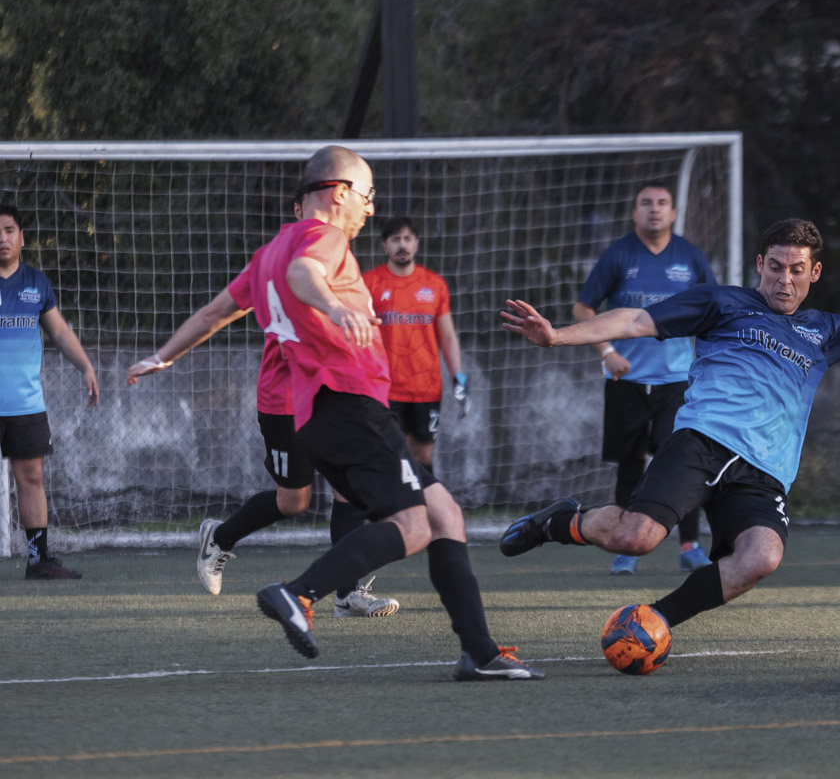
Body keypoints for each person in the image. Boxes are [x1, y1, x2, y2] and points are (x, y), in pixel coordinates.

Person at [499, 219, 840, 642]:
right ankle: (559, 522)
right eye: (776, 267)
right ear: (760, 264)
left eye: (797, 270)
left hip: (764, 473)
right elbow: (635, 320)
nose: (785, 279)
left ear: (814, 273)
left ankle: (656, 621)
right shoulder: (721, 302)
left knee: (762, 556)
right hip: (702, 444)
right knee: (635, 539)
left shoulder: (825, 330)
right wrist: (557, 336)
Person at [243, 145, 542, 679]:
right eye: (367, 195)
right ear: (340, 193)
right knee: (415, 523)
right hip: (350, 404)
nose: (372, 207)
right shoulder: (324, 240)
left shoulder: (281, 252)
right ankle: (300, 592)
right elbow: (303, 274)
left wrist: (162, 355)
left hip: (341, 410)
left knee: (444, 513)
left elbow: (219, 309)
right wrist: (335, 307)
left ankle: (479, 653)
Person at [127, 199, 400, 618]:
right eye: (364, 195)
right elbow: (217, 312)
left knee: (350, 491)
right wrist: (163, 357)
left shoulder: (319, 251)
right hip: (285, 399)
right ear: (319, 202)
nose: (368, 206)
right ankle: (220, 537)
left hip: (330, 395)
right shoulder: (298, 251)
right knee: (294, 502)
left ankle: (347, 594)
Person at [573, 182, 717, 575]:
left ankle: (690, 545)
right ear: (634, 212)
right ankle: (625, 548)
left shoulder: (689, 257)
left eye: (662, 203)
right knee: (630, 466)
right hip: (628, 381)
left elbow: (714, 307)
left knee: (682, 463)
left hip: (677, 383)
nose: (655, 209)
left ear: (673, 213)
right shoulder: (619, 254)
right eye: (646, 203)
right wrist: (608, 352)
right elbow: (583, 308)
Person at [0, 203, 98, 579]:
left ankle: (38, 561)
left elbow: (59, 331)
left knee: (32, 478)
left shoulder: (37, 283)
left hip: (25, 404)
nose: (3, 238)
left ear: (22, 238)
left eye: (9, 230)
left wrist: (86, 366)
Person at [363, 216, 467, 473]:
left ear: (417, 244)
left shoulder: (434, 284)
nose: (402, 245)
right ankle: (392, 502)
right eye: (395, 239)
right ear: (384, 245)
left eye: (407, 239)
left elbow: (448, 336)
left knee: (422, 454)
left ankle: (423, 500)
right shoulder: (369, 283)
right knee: (389, 453)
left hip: (425, 388)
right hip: (385, 388)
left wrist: (459, 378)